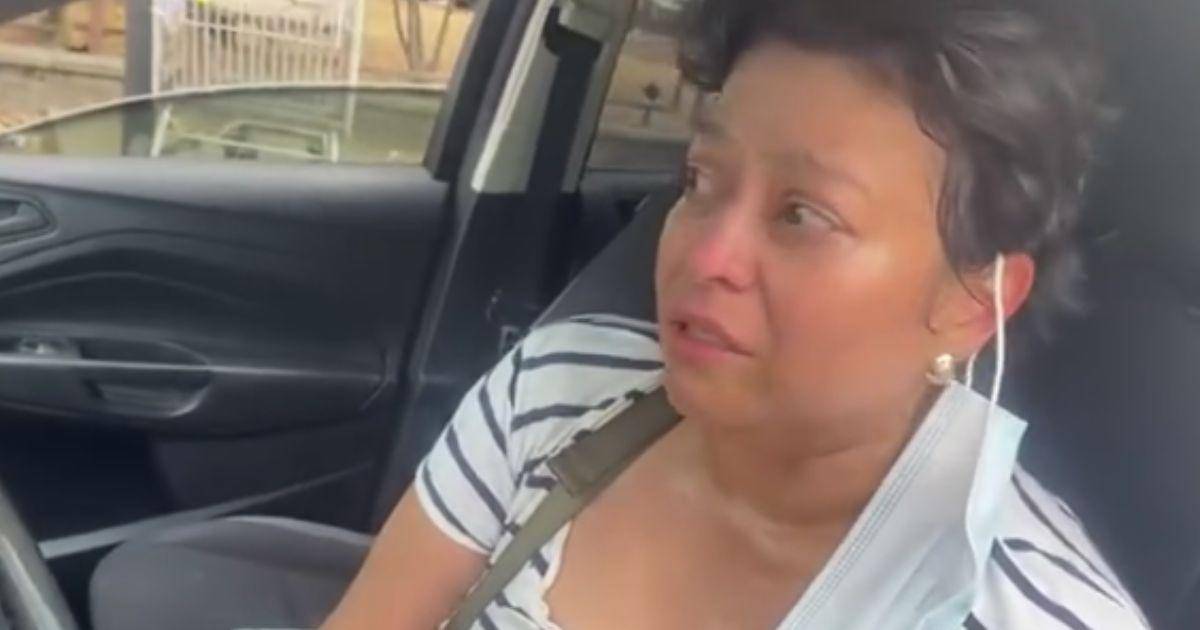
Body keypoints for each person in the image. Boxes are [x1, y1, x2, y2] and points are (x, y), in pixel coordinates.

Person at [323, 0, 1150, 627]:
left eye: (803, 214)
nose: (706, 254)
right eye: (700, 180)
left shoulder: (1036, 610)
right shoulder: (550, 396)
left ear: (974, 302)